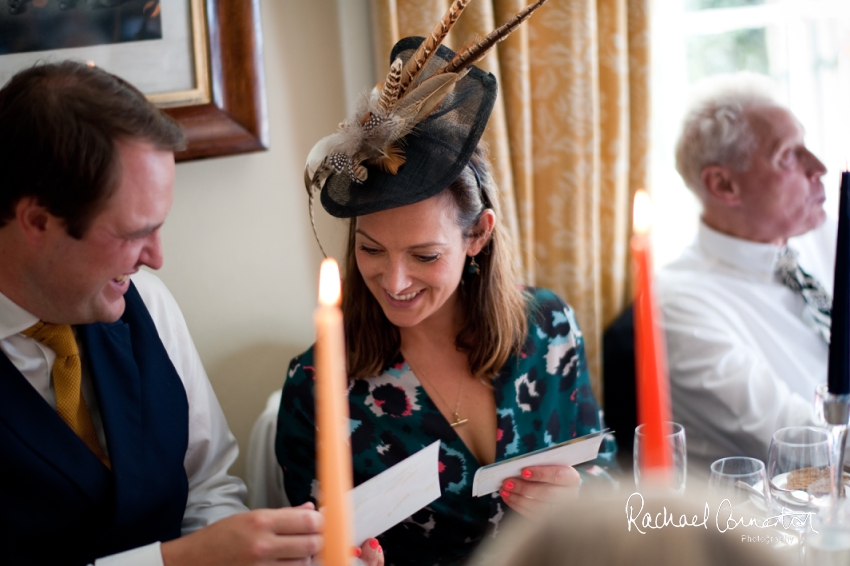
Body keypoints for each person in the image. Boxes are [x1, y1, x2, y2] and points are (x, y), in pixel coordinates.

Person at [0, 61, 383, 566]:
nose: (155, 258)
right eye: (134, 232)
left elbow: (206, 487)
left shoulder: (148, 303)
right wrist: (179, 560)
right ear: (38, 221)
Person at [276, 5, 615, 564]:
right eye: (370, 250)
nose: (395, 280)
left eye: (425, 255)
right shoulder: (318, 386)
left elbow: (603, 464)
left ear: (478, 236)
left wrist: (580, 496)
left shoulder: (549, 328)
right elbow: (309, 550)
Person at [656, 72, 834, 467]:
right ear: (723, 185)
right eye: (789, 155)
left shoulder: (825, 235)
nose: (818, 167)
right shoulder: (677, 303)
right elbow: (802, 443)